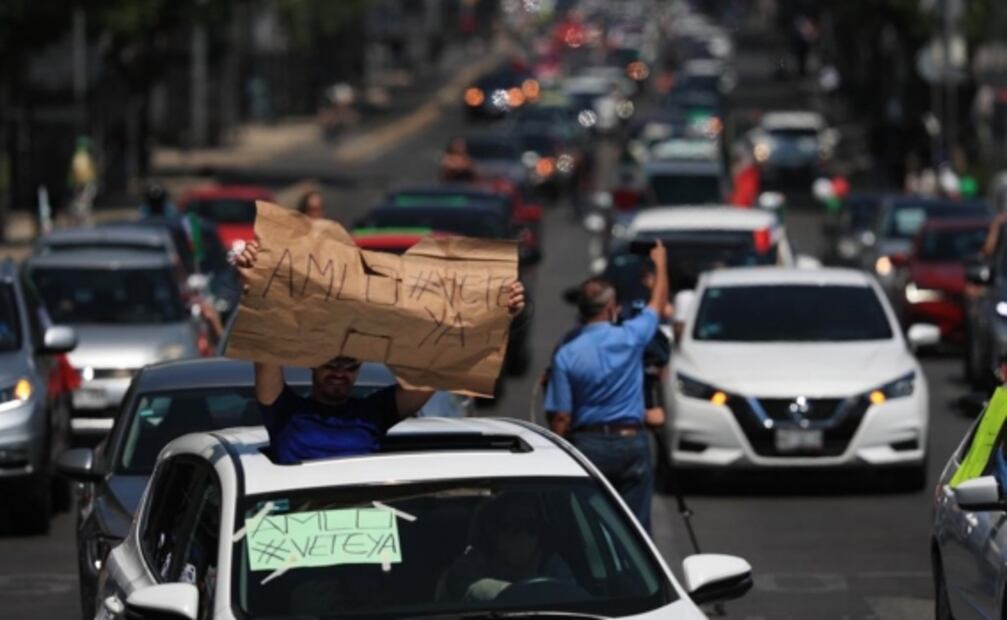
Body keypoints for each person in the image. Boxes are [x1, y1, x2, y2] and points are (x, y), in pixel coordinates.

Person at [233, 239, 525, 463]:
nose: (340, 374)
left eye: (351, 367)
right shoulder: (285, 412)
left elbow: (437, 372)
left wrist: (497, 314)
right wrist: (255, 284)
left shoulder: (373, 413)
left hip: (363, 538)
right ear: (313, 363)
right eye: (332, 364)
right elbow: (266, 349)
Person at [545, 241, 668, 531]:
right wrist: (660, 265)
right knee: (636, 528)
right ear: (612, 309)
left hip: (589, 445)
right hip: (630, 440)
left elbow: (562, 417)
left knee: (590, 526)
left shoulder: (566, 353)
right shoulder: (629, 337)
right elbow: (657, 305)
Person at [437, 492, 575, 602]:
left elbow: (573, 599)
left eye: (532, 526)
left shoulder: (552, 567)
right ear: (494, 532)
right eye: (515, 526)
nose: (525, 534)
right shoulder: (469, 567)